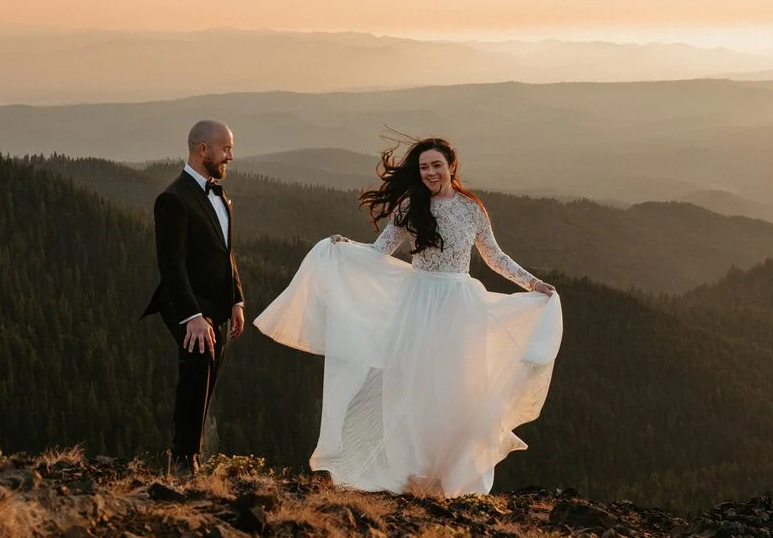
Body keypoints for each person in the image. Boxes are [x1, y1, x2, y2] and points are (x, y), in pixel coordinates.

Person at [254, 136, 561, 497]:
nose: (430, 173)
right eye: (424, 167)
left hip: (460, 306)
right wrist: (345, 250)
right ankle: (414, 472)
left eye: (436, 165)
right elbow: (380, 252)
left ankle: (451, 473)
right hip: (418, 304)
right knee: (413, 390)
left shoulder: (471, 208)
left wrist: (533, 283)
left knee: (457, 391)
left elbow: (495, 257)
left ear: (451, 167)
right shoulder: (409, 206)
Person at [141, 120, 245, 476]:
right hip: (183, 304)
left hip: (217, 303)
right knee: (197, 368)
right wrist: (192, 317)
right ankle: (184, 460)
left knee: (209, 374)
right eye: (225, 148)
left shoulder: (220, 195)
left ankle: (189, 455)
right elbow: (171, 266)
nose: (230, 155)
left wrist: (236, 300)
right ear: (203, 150)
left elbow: (225, 251)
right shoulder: (173, 198)